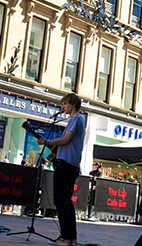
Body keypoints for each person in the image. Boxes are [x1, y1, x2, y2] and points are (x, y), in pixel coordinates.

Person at [37, 93, 85, 246]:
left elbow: (66, 139)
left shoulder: (76, 119)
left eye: (65, 104)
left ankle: (65, 237)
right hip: (70, 164)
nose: (62, 107)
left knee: (61, 200)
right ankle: (71, 237)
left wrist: (47, 141)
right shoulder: (78, 120)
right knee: (66, 201)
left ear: (73, 104)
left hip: (66, 165)